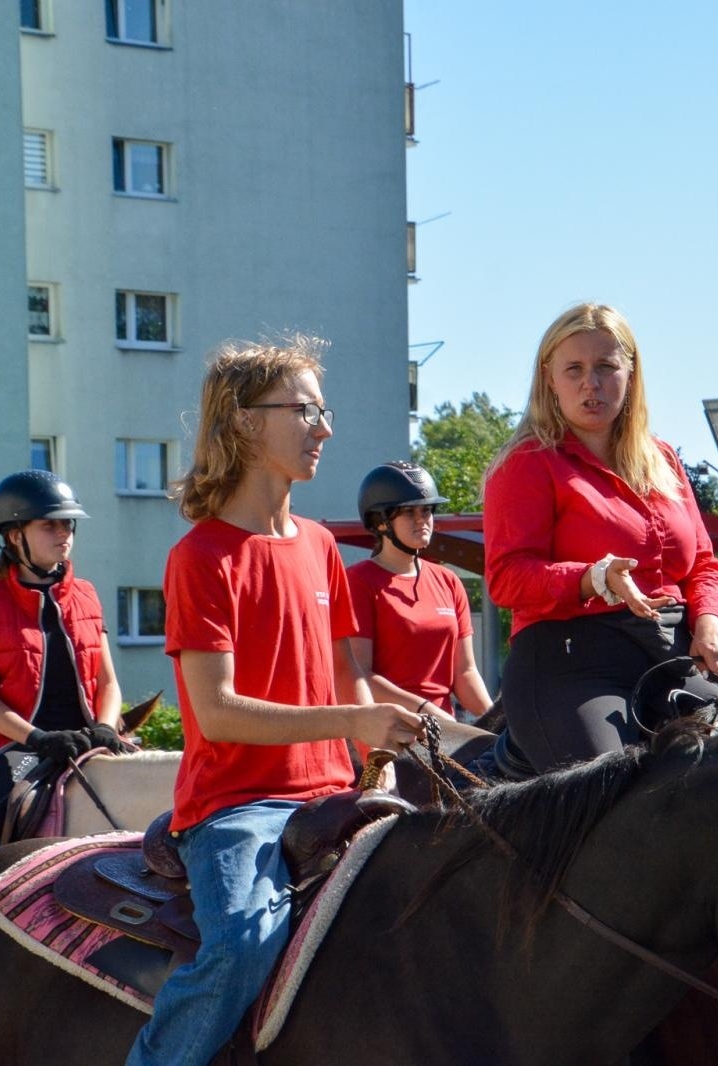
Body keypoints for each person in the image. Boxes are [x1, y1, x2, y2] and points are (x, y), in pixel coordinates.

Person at [128, 338, 423, 1066]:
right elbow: (218, 712)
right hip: (236, 807)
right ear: (244, 421)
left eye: (324, 411)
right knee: (242, 943)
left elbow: (345, 675)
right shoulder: (200, 557)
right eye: (306, 411)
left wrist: (375, 753)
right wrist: (355, 720)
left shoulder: (321, 545)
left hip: (337, 793)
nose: (325, 429)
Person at [481, 302, 718, 774]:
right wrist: (592, 578)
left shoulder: (663, 458)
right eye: (574, 369)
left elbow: (703, 562)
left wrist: (710, 622)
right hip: (570, 666)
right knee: (614, 788)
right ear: (549, 378)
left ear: (630, 372)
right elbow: (506, 577)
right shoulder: (527, 462)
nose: (591, 383)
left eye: (605, 367)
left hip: (669, 659)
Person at [0, 470, 124, 841]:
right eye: (49, 525)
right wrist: (39, 739)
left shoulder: (87, 593)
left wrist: (105, 727)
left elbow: (108, 682)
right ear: (14, 535)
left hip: (89, 739)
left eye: (67, 524)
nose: (63, 533)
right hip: (19, 746)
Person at [346, 461, 494, 724]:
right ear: (380, 522)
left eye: (426, 510)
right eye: (409, 512)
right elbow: (359, 675)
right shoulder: (358, 581)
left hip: (444, 732)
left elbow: (465, 672)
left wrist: (497, 722)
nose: (421, 520)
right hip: (389, 731)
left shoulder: (448, 581)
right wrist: (427, 711)